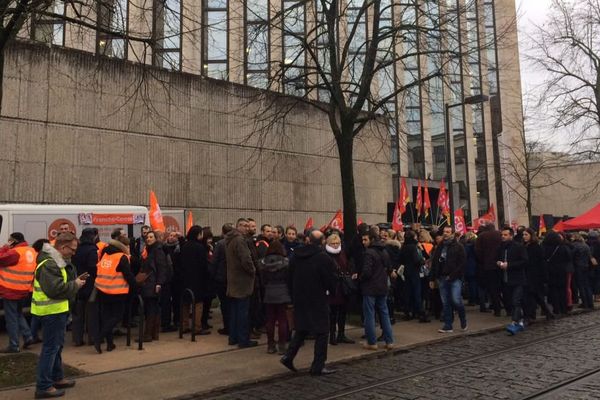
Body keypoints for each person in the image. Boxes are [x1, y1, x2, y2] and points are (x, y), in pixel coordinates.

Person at [33, 233, 85, 399]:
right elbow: (55, 289)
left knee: (56, 347)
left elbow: (58, 285)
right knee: (50, 348)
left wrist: (74, 281)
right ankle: (43, 386)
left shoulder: (56, 261)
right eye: (73, 249)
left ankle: (56, 377)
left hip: (57, 311)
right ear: (63, 247)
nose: (74, 253)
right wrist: (75, 285)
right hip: (51, 312)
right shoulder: (50, 263)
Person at [280, 230, 337, 376]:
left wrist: (293, 294)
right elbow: (330, 281)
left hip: (300, 298)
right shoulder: (323, 258)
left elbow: (288, 277)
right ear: (323, 241)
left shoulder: (295, 256)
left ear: (308, 240)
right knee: (323, 331)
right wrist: (332, 292)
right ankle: (318, 365)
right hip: (318, 298)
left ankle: (288, 356)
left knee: (302, 328)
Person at [94, 236, 136, 353]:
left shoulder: (105, 254)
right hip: (117, 291)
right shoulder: (122, 257)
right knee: (116, 317)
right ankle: (99, 338)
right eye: (127, 246)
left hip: (102, 290)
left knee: (107, 317)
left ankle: (110, 344)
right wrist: (136, 287)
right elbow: (128, 275)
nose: (128, 248)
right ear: (122, 246)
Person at [0, 232, 36, 353]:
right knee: (18, 314)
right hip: (24, 289)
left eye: (10, 241)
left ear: (14, 241)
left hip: (11, 290)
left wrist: (4, 248)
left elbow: (1, 259)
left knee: (11, 319)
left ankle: (14, 345)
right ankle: (28, 336)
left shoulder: (15, 252)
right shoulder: (30, 250)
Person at [360, 229, 395, 350]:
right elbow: (389, 268)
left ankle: (372, 342)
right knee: (384, 313)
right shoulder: (384, 251)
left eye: (365, 239)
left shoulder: (369, 253)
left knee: (369, 315)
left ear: (371, 239)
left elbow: (366, 272)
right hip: (382, 286)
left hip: (370, 287)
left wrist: (360, 278)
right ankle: (389, 341)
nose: (363, 242)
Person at [225, 218, 258, 348]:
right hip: (242, 281)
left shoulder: (229, 239)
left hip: (233, 280)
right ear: (238, 226)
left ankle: (233, 337)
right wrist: (253, 271)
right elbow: (246, 259)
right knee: (242, 312)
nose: (246, 228)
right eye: (243, 225)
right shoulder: (240, 240)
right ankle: (243, 339)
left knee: (234, 312)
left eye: (246, 226)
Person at [430, 226, 467, 333]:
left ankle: (462, 317)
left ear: (452, 233)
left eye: (448, 232)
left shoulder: (458, 246)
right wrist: (432, 279)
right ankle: (448, 325)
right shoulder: (440, 247)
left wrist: (453, 275)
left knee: (456, 300)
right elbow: (435, 263)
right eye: (444, 232)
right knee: (445, 302)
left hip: (454, 278)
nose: (445, 233)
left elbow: (462, 263)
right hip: (442, 277)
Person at [258, 240, 291, 354]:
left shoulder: (263, 263)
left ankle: (270, 345)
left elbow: (262, 280)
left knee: (270, 320)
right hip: (282, 291)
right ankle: (282, 345)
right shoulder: (286, 262)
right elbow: (289, 278)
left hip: (269, 292)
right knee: (282, 320)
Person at [179, 226, 211, 335]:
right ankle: (197, 327)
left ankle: (184, 325)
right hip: (198, 278)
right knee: (198, 303)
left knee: (185, 303)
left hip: (185, 278)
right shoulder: (200, 247)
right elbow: (203, 265)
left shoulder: (184, 246)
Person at [496, 227, 529, 335]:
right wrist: (499, 263)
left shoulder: (518, 247)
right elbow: (498, 258)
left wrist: (509, 265)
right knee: (511, 302)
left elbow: (524, 261)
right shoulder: (501, 247)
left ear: (511, 235)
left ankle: (514, 322)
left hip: (518, 279)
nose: (503, 237)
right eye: (502, 235)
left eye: (505, 235)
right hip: (506, 279)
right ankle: (520, 321)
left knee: (516, 301)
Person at [325, 233, 355, 345]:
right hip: (333, 287)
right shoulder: (326, 255)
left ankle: (341, 334)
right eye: (333, 243)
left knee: (343, 312)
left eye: (337, 243)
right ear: (328, 243)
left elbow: (347, 265)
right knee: (332, 313)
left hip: (343, 287)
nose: (335, 245)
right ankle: (332, 335)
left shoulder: (342, 253)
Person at [138, 231, 168, 342]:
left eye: (151, 237)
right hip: (149, 283)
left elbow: (162, 268)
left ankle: (148, 335)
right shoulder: (148, 250)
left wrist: (159, 283)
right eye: (147, 237)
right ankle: (153, 334)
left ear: (155, 238)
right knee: (152, 308)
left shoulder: (157, 251)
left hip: (153, 283)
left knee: (151, 308)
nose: (148, 239)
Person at [70, 228, 98, 347]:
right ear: (93, 237)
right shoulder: (92, 250)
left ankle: (77, 339)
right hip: (90, 283)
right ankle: (92, 338)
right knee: (91, 313)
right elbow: (93, 267)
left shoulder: (77, 249)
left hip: (77, 282)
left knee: (78, 313)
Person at [523, 228, 554, 321]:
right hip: (527, 274)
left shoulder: (536, 247)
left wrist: (544, 276)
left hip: (535, 275)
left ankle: (533, 315)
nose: (524, 236)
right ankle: (536, 314)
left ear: (531, 236)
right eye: (523, 235)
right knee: (532, 295)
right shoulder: (524, 246)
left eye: (526, 235)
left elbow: (541, 262)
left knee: (535, 295)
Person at [210, 223, 234, 335]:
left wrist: (213, 276)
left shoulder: (220, 244)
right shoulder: (236, 242)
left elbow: (215, 261)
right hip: (232, 277)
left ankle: (227, 327)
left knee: (224, 304)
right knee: (232, 304)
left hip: (221, 277)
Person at [475, 224, 503, 315]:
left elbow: (478, 252)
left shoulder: (481, 236)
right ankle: (508, 307)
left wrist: (483, 261)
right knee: (502, 287)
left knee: (492, 288)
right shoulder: (500, 234)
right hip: (500, 265)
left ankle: (497, 309)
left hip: (487, 266)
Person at [543, 231, 572, 315]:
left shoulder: (544, 247)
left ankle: (556, 308)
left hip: (550, 271)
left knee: (553, 290)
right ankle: (564, 308)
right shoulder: (563, 247)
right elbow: (569, 257)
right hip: (562, 271)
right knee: (562, 290)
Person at [401, 230, 427, 322]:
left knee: (407, 292)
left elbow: (401, 259)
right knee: (417, 292)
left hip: (407, 271)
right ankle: (421, 313)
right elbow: (417, 260)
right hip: (415, 272)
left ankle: (408, 312)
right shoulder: (413, 247)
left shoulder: (404, 247)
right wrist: (423, 260)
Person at [571, 233, 593, 309]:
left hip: (578, 267)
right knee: (587, 285)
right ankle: (590, 303)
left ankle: (585, 303)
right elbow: (590, 256)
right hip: (586, 266)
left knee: (581, 286)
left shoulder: (574, 245)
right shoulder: (586, 245)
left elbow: (571, 256)